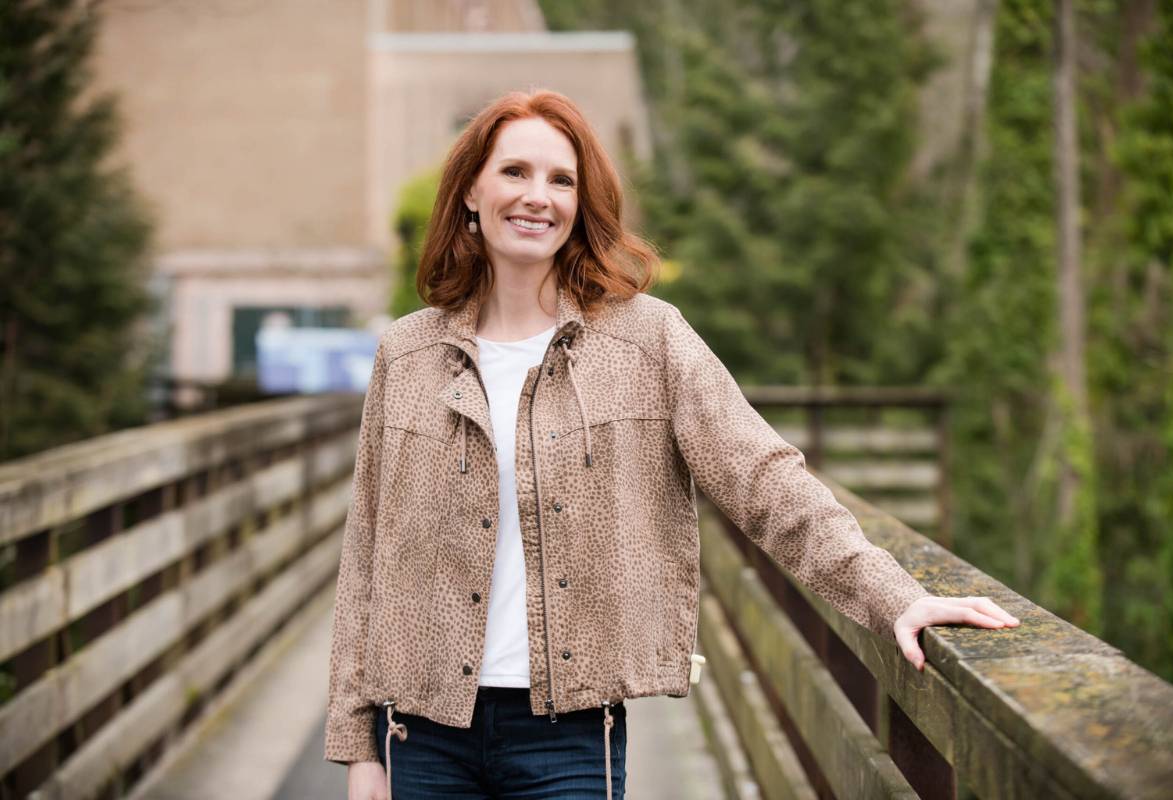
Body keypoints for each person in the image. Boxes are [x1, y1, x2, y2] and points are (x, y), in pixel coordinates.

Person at [324, 89, 1020, 800]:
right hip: (420, 732)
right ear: (471, 190)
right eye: (515, 173)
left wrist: (892, 595)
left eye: (561, 180)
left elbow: (763, 476)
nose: (538, 197)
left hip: (566, 736)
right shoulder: (407, 353)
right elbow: (367, 555)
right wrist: (359, 749)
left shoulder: (646, 339)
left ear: (581, 203)